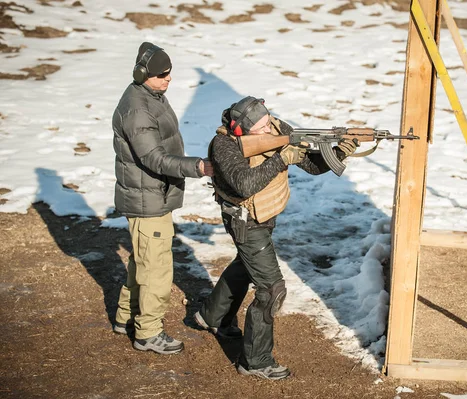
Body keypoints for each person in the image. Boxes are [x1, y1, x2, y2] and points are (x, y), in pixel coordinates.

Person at [193, 96, 358, 379]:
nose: (268, 129)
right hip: (244, 219)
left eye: (269, 121)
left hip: (265, 214)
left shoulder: (276, 128)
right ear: (240, 130)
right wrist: (282, 157)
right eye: (261, 127)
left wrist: (338, 152)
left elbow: (312, 166)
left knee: (247, 264)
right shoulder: (223, 145)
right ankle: (255, 361)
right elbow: (245, 185)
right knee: (271, 289)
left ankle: (213, 316)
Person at [111, 42, 213, 355]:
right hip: (147, 199)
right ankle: (148, 333)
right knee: (156, 270)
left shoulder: (149, 95)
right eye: (161, 75)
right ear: (143, 74)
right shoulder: (138, 109)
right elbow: (154, 158)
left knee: (143, 262)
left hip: (152, 195)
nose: (168, 79)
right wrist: (198, 166)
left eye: (169, 73)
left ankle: (126, 317)